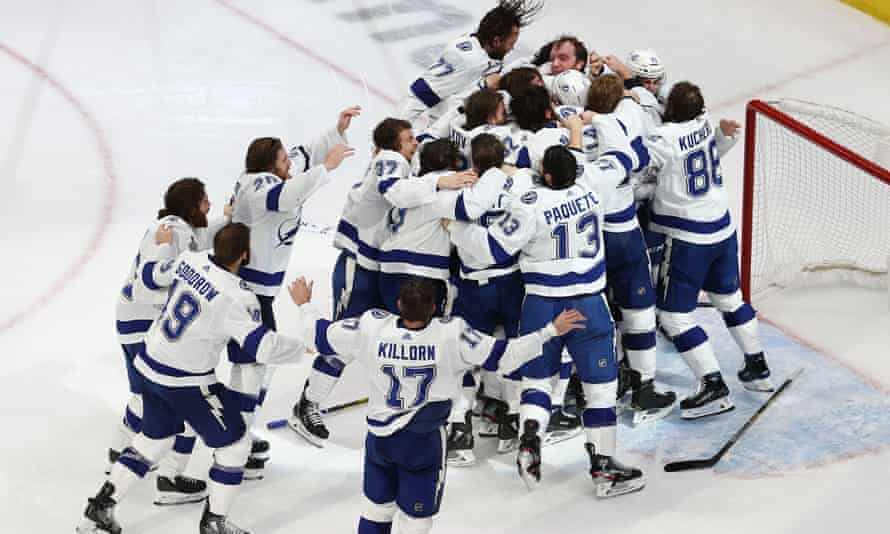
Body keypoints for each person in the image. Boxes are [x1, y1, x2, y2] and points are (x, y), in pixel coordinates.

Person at [288, 276, 585, 534]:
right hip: (423, 442)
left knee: (375, 512)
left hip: (379, 440)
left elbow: (319, 336)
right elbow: (506, 355)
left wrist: (304, 304)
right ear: (433, 308)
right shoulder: (450, 334)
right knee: (416, 523)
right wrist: (549, 331)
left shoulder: (371, 326)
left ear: (398, 303)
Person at [446, 115, 646, 497]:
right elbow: (624, 154)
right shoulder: (591, 183)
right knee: (600, 390)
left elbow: (488, 249)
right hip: (589, 305)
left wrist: (455, 227)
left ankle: (531, 435)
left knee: (538, 381)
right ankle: (604, 468)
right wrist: (594, 120)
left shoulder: (529, 205)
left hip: (540, 306)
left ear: (546, 176)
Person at [78, 223, 314, 534]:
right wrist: (302, 347)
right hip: (184, 382)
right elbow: (262, 347)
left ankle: (101, 507)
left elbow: (149, 276)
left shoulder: (191, 260)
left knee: (154, 439)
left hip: (149, 364)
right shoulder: (237, 296)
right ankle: (214, 524)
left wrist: (163, 246)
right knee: (235, 445)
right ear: (245, 255)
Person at [292, 118, 476, 446]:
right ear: (392, 144)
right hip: (359, 265)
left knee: (369, 334)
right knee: (344, 337)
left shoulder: (398, 163)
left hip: (377, 267)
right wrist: (443, 181)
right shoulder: (389, 160)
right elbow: (397, 192)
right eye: (408, 139)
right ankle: (308, 403)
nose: (414, 143)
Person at [226, 106, 358, 477]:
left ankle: (239, 435)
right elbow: (287, 195)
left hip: (259, 292)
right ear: (270, 166)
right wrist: (326, 168)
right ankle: (237, 442)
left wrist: (336, 129)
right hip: (247, 293)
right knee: (251, 369)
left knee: (255, 368)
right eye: (282, 160)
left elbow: (303, 153)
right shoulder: (259, 186)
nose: (290, 162)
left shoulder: (276, 172)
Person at [645, 81, 774, 420]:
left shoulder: (664, 137)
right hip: (722, 227)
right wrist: (724, 136)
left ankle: (712, 384)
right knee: (730, 300)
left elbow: (636, 166)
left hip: (688, 237)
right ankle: (757, 366)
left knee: (673, 317)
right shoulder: (704, 125)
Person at [110, 177, 228, 506]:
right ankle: (135, 460)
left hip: (136, 320)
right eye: (205, 200)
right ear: (192, 206)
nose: (209, 205)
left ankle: (120, 454)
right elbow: (151, 283)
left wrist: (227, 219)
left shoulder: (178, 228)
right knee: (150, 398)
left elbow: (197, 240)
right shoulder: (172, 232)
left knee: (144, 395)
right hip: (140, 323)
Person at [583, 74, 676, 424]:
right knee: (638, 312)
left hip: (586, 238)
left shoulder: (574, 127)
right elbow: (637, 159)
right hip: (620, 231)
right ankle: (643, 389)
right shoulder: (619, 122)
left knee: (598, 314)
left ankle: (588, 388)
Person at [397, 0, 543, 126]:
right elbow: (419, 95)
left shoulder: (484, 44)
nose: (513, 47)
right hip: (444, 128)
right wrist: (395, 136)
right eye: (511, 43)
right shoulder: (467, 60)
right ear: (496, 41)